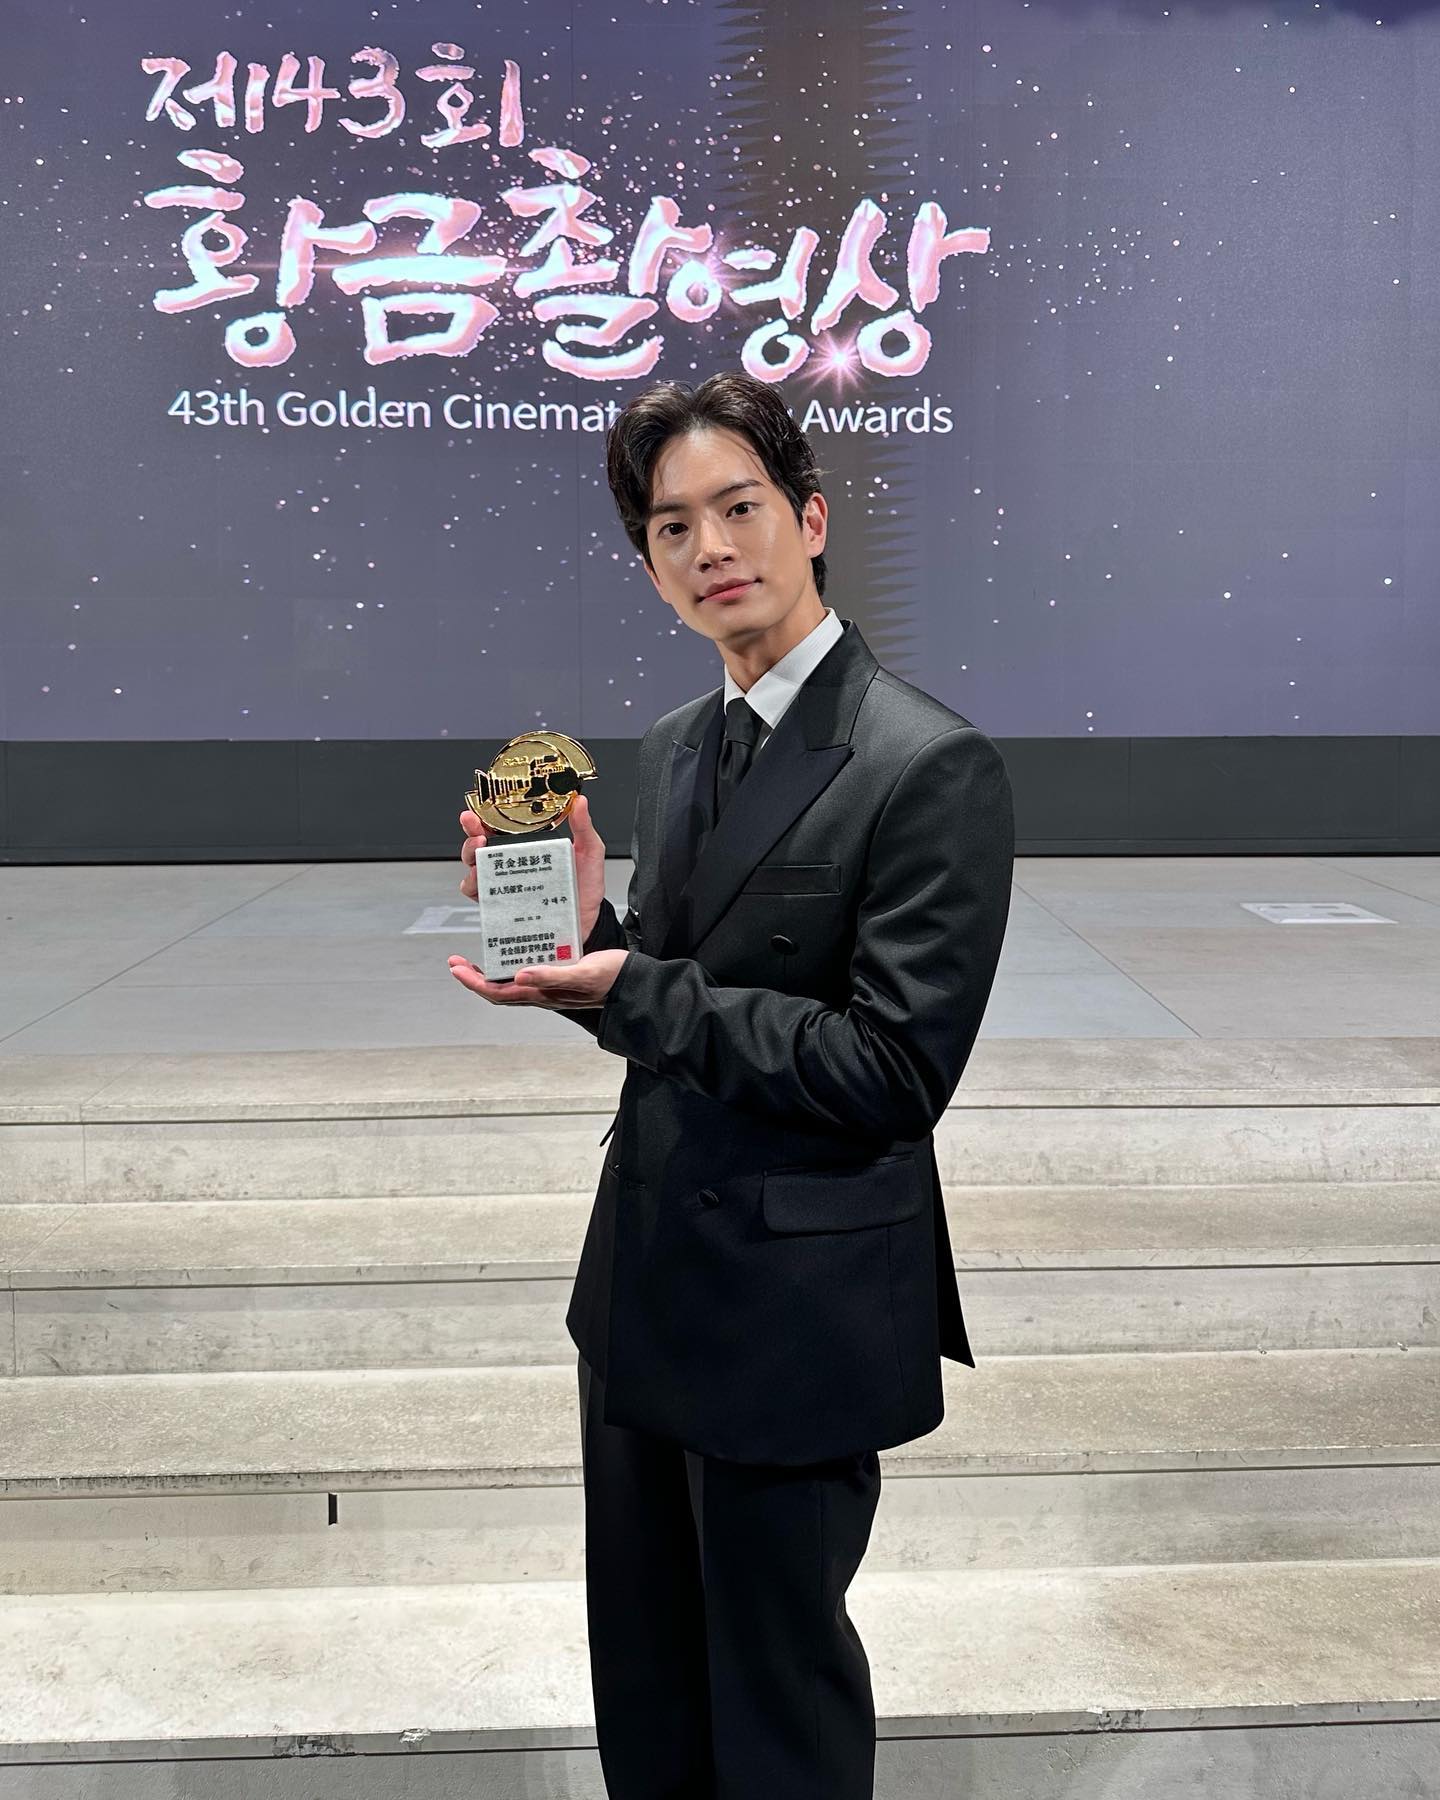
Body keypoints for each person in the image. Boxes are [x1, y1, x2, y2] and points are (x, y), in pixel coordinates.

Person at [451, 370, 1014, 1799]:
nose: (710, 547)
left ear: (810, 519)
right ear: (649, 567)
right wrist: (588, 935)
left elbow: (892, 1069)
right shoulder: (674, 748)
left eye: (739, 508)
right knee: (646, 1681)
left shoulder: (927, 763)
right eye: (671, 527)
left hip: (797, 1309)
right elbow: (680, 988)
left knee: (776, 1707)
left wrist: (633, 989)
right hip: (646, 1283)